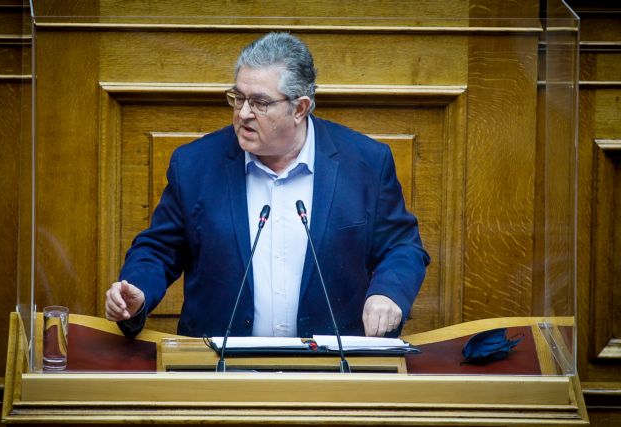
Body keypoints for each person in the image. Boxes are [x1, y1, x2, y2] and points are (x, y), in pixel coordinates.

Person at [105, 32, 430, 339]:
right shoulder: (194, 165)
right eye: (238, 98)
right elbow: (159, 249)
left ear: (299, 108)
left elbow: (401, 246)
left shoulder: (365, 163)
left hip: (331, 364)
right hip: (218, 364)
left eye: (260, 102)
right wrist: (138, 292)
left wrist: (388, 292)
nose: (244, 113)